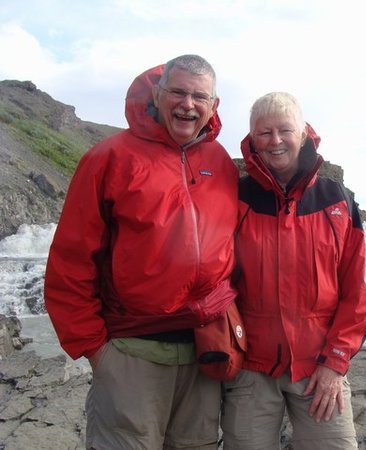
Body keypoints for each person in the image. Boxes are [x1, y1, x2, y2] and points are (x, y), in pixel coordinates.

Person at [44, 54, 238, 449]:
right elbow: (70, 262)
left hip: (206, 351)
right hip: (131, 352)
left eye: (199, 96)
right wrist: (96, 351)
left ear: (214, 106)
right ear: (158, 93)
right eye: (178, 92)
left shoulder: (219, 162)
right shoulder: (109, 158)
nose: (188, 104)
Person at [222, 92, 366, 450]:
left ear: (303, 133)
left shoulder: (336, 201)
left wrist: (336, 363)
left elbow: (356, 293)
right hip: (251, 369)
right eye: (264, 133)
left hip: (320, 366)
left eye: (284, 130)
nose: (275, 141)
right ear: (252, 141)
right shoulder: (235, 198)